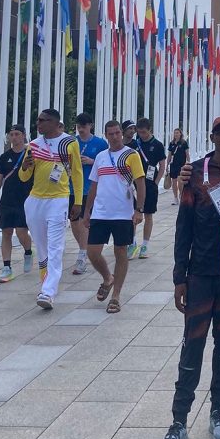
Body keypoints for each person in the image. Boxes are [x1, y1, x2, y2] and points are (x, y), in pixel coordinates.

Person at [157, 116, 220, 439]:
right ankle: (178, 422)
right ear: (213, 137)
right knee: (193, 346)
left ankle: (218, 412)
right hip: (200, 275)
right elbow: (183, 227)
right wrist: (179, 276)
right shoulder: (194, 173)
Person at [18, 108, 84, 309]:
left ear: (55, 123)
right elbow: (23, 177)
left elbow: (77, 173)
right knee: (42, 247)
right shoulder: (34, 145)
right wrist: (26, 166)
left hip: (58, 200)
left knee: (56, 247)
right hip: (35, 201)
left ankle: (48, 292)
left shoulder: (69, 143)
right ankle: (45, 282)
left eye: (43, 120)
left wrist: (78, 201)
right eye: (38, 120)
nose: (38, 123)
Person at [84, 120, 146, 313]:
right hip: (101, 212)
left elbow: (140, 183)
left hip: (122, 212)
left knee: (120, 251)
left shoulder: (131, 155)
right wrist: (87, 211)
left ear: (122, 133)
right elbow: (93, 185)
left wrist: (139, 209)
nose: (115, 136)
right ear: (106, 135)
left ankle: (116, 296)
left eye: (117, 133)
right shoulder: (101, 157)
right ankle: (107, 278)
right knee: (92, 252)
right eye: (110, 134)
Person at [0, 124, 33, 282]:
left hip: (25, 200)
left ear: (23, 135)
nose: (14, 137)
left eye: (17, 134)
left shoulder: (30, 154)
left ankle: (28, 251)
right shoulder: (4, 157)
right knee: (6, 232)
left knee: (21, 232)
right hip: (7, 200)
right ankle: (6, 267)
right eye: (11, 134)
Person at [70, 113, 108, 275]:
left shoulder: (99, 143)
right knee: (73, 222)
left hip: (90, 188)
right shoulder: (72, 142)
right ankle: (83, 249)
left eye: (84, 127)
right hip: (71, 187)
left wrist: (92, 162)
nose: (81, 130)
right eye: (79, 127)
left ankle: (82, 255)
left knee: (83, 221)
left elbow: (107, 161)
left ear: (90, 126)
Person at [127, 117, 166, 259]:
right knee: (133, 214)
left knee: (148, 214)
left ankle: (145, 245)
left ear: (149, 130)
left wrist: (156, 182)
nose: (141, 135)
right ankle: (132, 243)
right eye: (139, 132)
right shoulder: (134, 144)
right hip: (134, 182)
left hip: (150, 182)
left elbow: (162, 164)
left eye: (144, 132)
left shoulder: (157, 145)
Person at [167, 128, 190, 205]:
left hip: (181, 165)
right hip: (173, 165)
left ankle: (181, 195)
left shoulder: (184, 143)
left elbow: (187, 154)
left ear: (180, 134)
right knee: (174, 182)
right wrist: (167, 164)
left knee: (180, 182)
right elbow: (169, 155)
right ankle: (175, 197)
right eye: (175, 133)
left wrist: (188, 162)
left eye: (177, 133)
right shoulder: (172, 143)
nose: (176, 134)